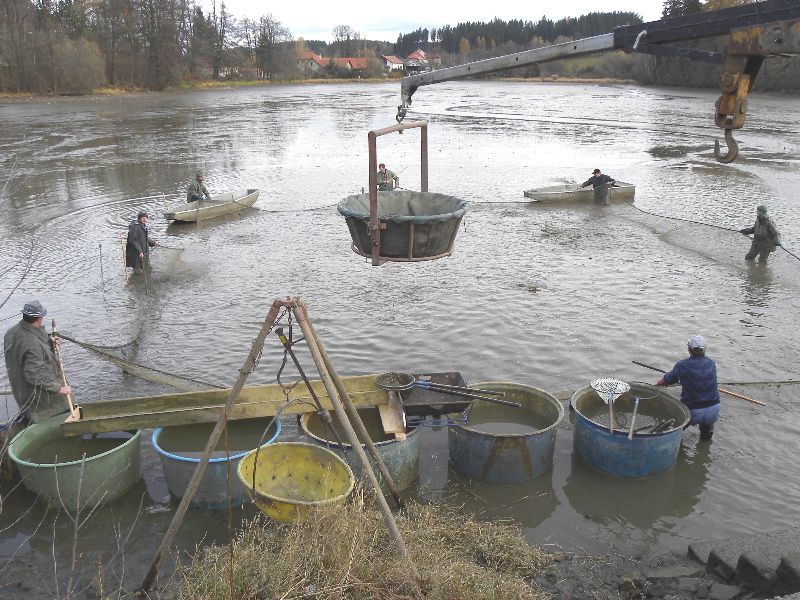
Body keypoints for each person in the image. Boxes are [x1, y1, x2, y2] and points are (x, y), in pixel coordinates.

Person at [3, 301, 71, 423]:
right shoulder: (33, 345)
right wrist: (59, 389)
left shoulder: (11, 332)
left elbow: (27, 346)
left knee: (29, 412)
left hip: (20, 390)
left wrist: (50, 341)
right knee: (57, 412)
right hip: (37, 396)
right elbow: (35, 376)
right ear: (39, 318)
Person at [656, 335, 720, 441]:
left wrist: (659, 383)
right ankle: (705, 443)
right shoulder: (711, 363)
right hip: (714, 409)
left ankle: (676, 445)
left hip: (693, 411)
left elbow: (665, 381)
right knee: (706, 433)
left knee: (675, 431)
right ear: (704, 350)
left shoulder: (682, 365)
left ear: (689, 349)